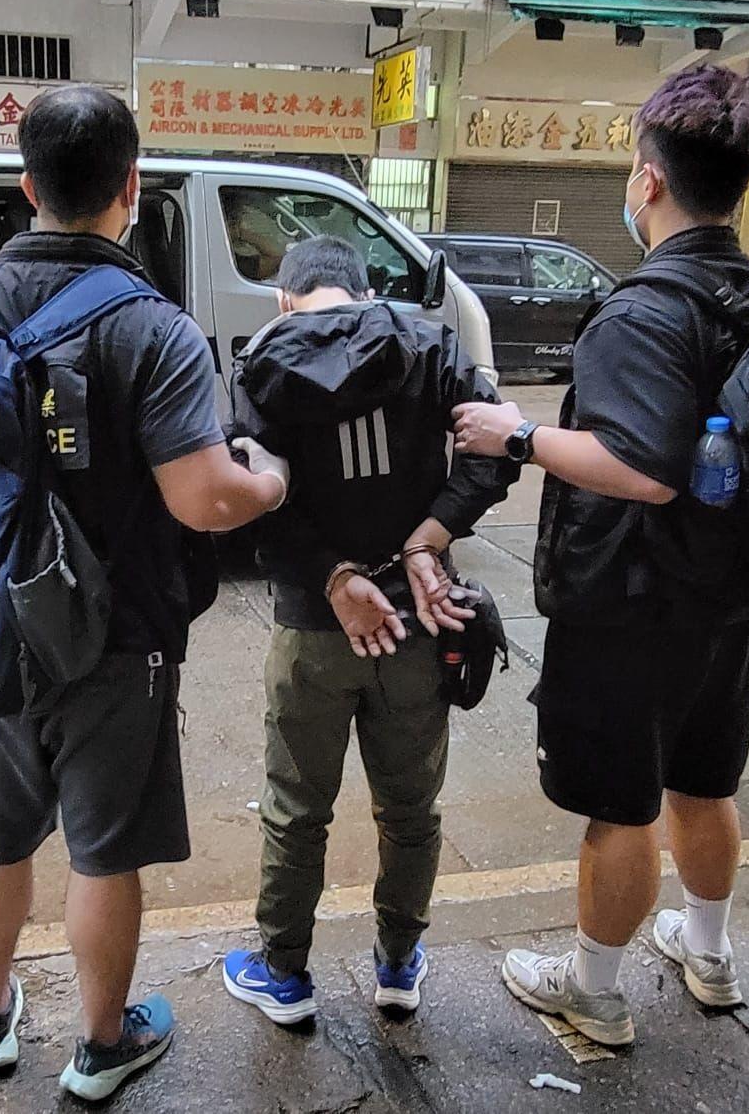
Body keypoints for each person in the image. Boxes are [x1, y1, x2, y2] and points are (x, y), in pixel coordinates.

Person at [0, 85, 290, 1101]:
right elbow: (204, 499)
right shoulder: (152, 328)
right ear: (131, 186)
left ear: (27, 187)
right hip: (115, 633)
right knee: (104, 852)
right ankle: (102, 1045)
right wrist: (269, 480)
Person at [450, 65, 749, 1046]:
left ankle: (593, 990)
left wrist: (516, 435)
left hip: (635, 603)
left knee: (622, 805)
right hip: (733, 590)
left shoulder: (641, 311)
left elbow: (640, 467)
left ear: (647, 180)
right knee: (704, 780)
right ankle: (709, 953)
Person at [220, 236, 517, 1025]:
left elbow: (251, 500)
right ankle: (397, 963)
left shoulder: (263, 362)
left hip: (315, 631)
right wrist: (429, 536)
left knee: (296, 808)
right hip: (420, 618)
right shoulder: (430, 345)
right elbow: (495, 449)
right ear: (362, 291)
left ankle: (284, 972)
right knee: (411, 809)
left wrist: (333, 577)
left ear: (286, 297)